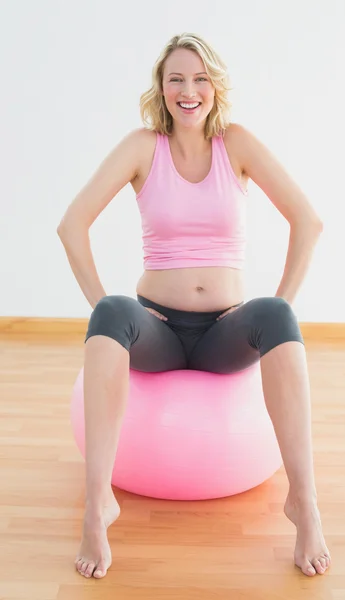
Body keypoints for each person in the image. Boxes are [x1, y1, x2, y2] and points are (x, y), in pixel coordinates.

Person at [57, 32, 330, 580]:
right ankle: (98, 506)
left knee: (278, 315)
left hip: (222, 336)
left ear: (215, 86)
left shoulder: (238, 144)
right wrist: (99, 307)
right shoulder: (142, 147)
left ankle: (305, 502)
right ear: (161, 88)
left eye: (200, 78)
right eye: (176, 78)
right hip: (155, 330)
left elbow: (308, 219)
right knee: (110, 311)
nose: (189, 90)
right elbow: (71, 225)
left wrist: (282, 304)